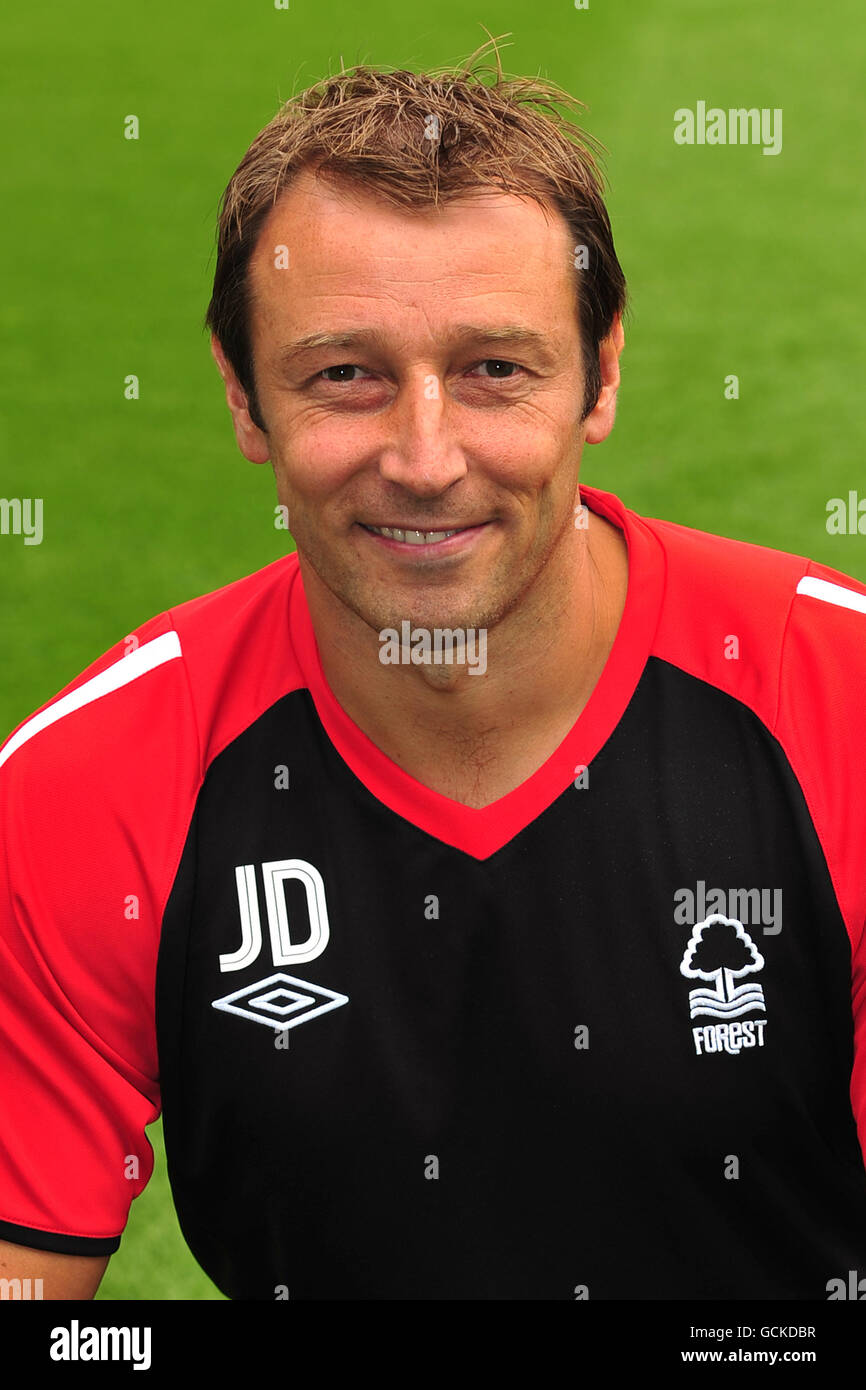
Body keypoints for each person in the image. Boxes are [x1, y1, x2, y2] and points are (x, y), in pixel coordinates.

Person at [2, 40, 866, 1301]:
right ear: (243, 397)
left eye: (492, 371)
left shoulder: (831, 698)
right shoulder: (85, 787)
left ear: (602, 373)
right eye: (343, 374)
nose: (422, 456)